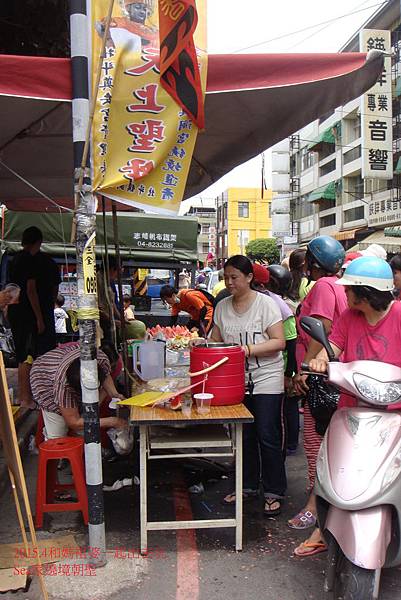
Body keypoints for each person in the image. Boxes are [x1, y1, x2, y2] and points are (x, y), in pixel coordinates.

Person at [300, 256, 400, 557]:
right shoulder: (348, 318)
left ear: (364, 292)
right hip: (353, 408)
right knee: (333, 464)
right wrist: (320, 361)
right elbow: (335, 349)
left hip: (394, 412)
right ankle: (322, 526)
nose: (344, 294)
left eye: (349, 289)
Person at [211, 255, 287, 516]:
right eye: (226, 277)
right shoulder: (222, 306)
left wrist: (247, 349)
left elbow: (279, 342)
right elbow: (216, 340)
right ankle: (248, 486)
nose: (229, 282)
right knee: (244, 435)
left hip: (267, 377)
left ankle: (275, 490)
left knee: (267, 434)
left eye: (234, 277)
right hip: (236, 381)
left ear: (249, 278)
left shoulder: (266, 305)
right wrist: (202, 344)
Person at [290, 236, 347, 543]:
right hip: (336, 377)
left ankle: (317, 513)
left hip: (320, 378)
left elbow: (321, 327)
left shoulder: (324, 287)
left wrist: (306, 368)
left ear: (313, 263)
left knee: (315, 446)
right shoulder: (340, 287)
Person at [8, 226, 60, 408]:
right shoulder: (31, 260)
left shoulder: (14, 259)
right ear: (39, 242)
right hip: (29, 316)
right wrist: (40, 318)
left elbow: (11, 288)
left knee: (25, 355)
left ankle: (27, 398)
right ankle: (26, 399)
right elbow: (31, 290)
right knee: (28, 356)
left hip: (17, 313)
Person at [30, 344, 126, 440]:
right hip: (43, 378)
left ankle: (83, 449)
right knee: (58, 437)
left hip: (59, 362)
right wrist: (113, 422)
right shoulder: (63, 386)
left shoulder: (99, 358)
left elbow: (105, 375)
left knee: (85, 423)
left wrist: (115, 394)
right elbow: (73, 422)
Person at [97, 257, 121, 343]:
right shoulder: (97, 281)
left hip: (108, 323)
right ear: (111, 269)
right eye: (117, 272)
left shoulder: (108, 281)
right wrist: (112, 320)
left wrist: (120, 317)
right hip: (101, 325)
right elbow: (97, 308)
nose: (117, 276)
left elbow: (111, 303)